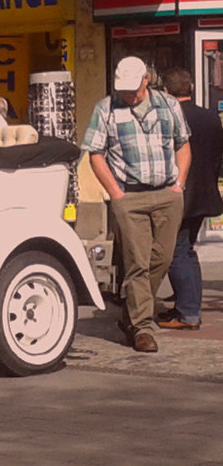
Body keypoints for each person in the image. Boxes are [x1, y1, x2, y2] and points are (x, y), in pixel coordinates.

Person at [83, 56, 190, 353]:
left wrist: (179, 183)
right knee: (137, 263)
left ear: (147, 79)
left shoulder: (169, 106)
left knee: (163, 258)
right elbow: (95, 153)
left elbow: (182, 143)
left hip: (167, 193)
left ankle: (130, 315)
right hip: (129, 196)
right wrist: (116, 193)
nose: (127, 94)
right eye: (123, 89)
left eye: (133, 88)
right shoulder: (106, 109)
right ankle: (142, 327)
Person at [158, 67, 223, 330]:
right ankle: (187, 304)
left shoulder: (168, 117)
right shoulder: (210, 117)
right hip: (205, 192)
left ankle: (187, 314)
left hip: (179, 193)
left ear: (165, 92)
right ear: (192, 88)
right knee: (187, 249)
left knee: (176, 251)